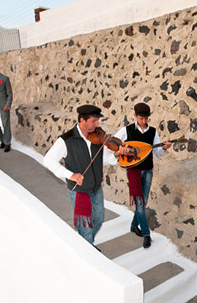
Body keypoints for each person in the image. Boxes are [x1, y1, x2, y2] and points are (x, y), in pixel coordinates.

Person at [43, 105, 131, 246]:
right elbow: (48, 160)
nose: (97, 125)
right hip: (79, 191)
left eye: (97, 121)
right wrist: (70, 175)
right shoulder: (67, 140)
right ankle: (88, 252)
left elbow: (99, 161)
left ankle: (85, 246)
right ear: (82, 120)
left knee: (97, 221)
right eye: (93, 121)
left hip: (96, 188)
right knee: (85, 226)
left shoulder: (96, 138)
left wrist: (116, 154)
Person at [114, 102, 172, 249]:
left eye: (146, 119)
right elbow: (114, 143)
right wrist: (122, 149)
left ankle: (134, 225)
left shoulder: (153, 132)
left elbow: (157, 153)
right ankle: (146, 234)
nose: (144, 121)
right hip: (134, 171)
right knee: (139, 203)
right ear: (135, 116)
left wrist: (164, 148)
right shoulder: (126, 131)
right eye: (141, 118)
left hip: (148, 171)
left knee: (143, 201)